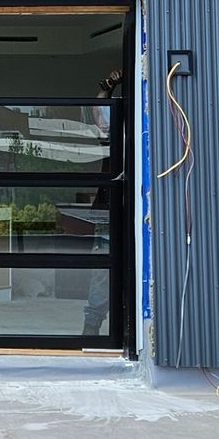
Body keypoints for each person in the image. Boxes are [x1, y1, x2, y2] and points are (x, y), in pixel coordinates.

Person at [82, 70, 122, 336]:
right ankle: (92, 327)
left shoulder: (143, 129)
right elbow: (101, 116)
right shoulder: (112, 134)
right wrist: (106, 87)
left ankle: (121, 326)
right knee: (102, 269)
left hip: (136, 208)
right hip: (108, 207)